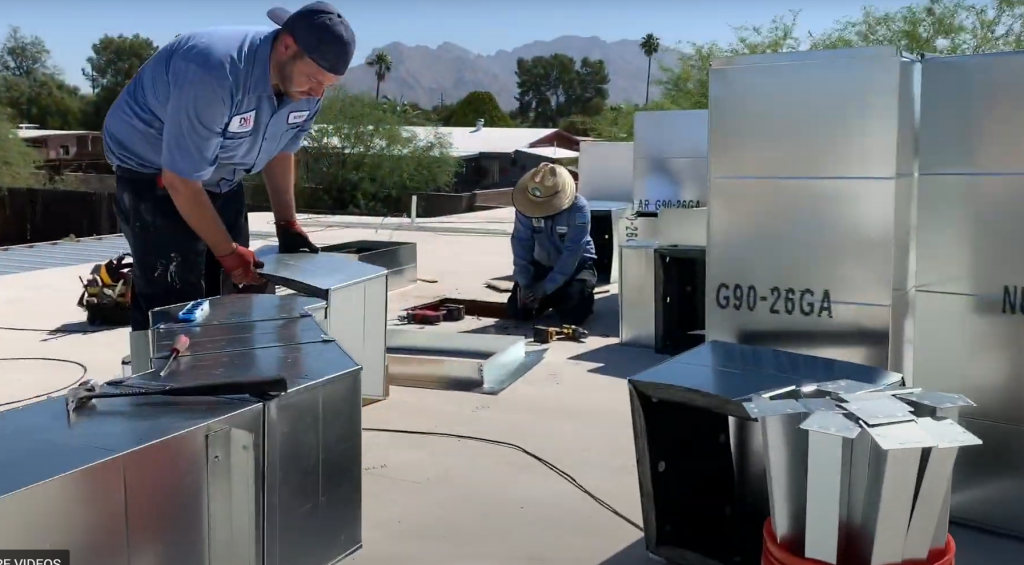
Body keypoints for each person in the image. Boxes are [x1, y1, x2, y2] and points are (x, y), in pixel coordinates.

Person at [102, 2, 355, 331]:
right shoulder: (214, 72)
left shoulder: (307, 89)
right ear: (287, 45)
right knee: (174, 300)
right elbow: (180, 179)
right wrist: (226, 251)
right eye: (313, 79)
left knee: (237, 288)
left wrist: (286, 223)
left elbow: (280, 151)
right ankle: (165, 379)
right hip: (153, 170)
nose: (317, 93)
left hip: (219, 173)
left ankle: (227, 376)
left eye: (328, 86)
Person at [507, 163, 598, 326]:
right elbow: (521, 242)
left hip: (576, 267)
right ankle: (550, 298)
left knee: (572, 316)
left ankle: (568, 296)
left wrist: (544, 288)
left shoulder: (579, 208)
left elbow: (573, 252)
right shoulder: (525, 207)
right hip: (542, 265)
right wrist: (525, 283)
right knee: (517, 311)